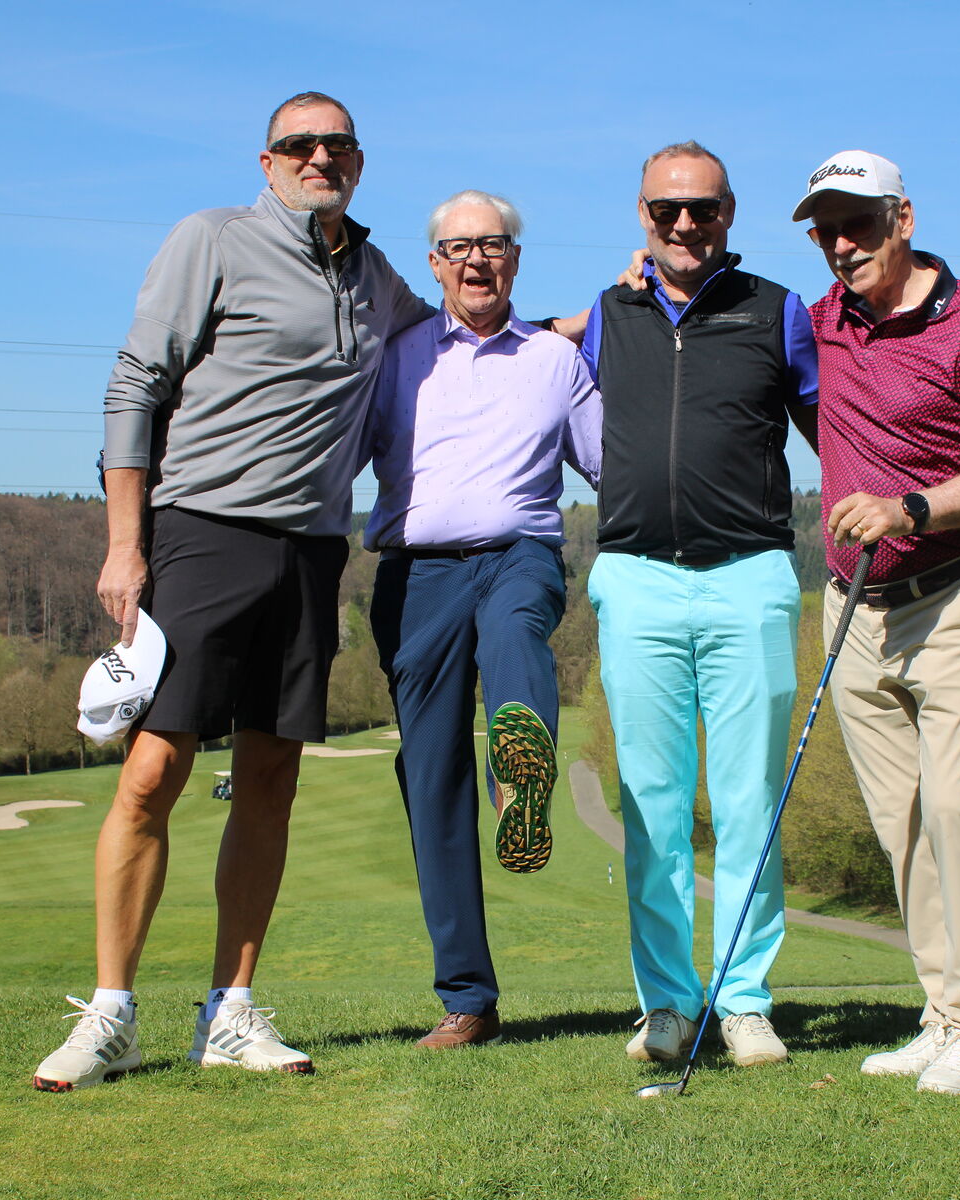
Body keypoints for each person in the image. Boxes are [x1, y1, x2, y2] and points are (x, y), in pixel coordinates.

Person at [33, 91, 432, 1092]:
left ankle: (230, 1011)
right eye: (300, 145)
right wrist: (124, 546)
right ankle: (111, 1016)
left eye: (337, 144)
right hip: (201, 533)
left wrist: (596, 318)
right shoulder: (210, 239)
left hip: (311, 553)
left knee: (270, 777)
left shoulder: (375, 275)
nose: (320, 158)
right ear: (268, 161)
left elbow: (466, 334)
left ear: (359, 160)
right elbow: (136, 383)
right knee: (153, 770)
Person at [794, 151, 960, 1096]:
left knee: (956, 811)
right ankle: (942, 1015)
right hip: (854, 612)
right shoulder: (820, 322)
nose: (840, 245)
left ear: (902, 217)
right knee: (900, 825)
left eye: (856, 223)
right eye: (825, 230)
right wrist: (617, 295)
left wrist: (911, 510)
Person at [580, 141, 819, 1069]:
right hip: (637, 578)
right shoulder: (608, 314)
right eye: (665, 210)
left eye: (703, 208)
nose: (685, 224)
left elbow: (836, 431)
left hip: (749, 577)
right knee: (652, 807)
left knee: (751, 801)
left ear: (730, 213)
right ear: (642, 215)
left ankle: (745, 1002)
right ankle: (670, 1006)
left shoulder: (777, 311)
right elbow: (517, 346)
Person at [363, 190, 601, 1048]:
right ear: (434, 264)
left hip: (518, 555)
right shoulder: (396, 358)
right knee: (430, 781)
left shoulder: (554, 361)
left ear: (515, 259)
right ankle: (468, 999)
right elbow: (334, 447)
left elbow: (613, 465)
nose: (477, 260)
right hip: (415, 575)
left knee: (513, 637)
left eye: (493, 245)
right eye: (459, 247)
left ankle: (519, 777)